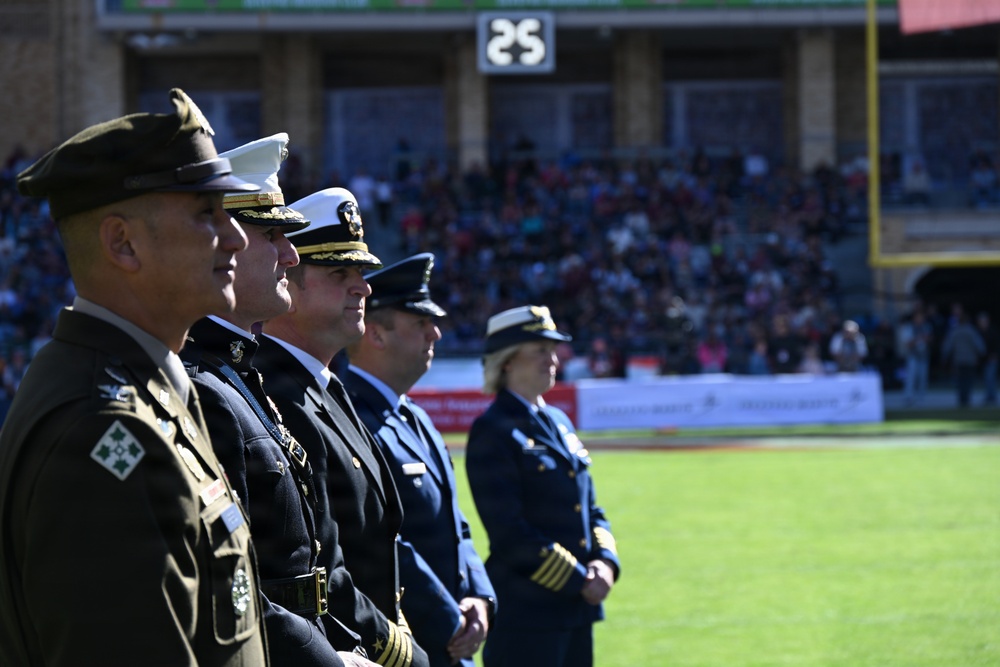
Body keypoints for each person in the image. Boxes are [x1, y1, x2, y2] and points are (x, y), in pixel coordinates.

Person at [0, 89, 268, 665]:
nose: (237, 237)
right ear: (122, 243)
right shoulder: (97, 428)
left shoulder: (149, 385)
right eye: (206, 213)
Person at [180, 134, 378, 666]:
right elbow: (231, 584)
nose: (290, 255)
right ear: (223, 245)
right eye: (272, 235)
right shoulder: (204, 383)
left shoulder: (237, 373)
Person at [256, 187, 429, 667]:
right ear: (289, 283)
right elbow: (318, 569)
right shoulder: (277, 394)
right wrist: (400, 653)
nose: (364, 288)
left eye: (360, 273)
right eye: (340, 274)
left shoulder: (323, 386)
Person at [343, 253, 497, 667]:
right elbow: (382, 537)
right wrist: (448, 618)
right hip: (409, 644)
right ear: (376, 334)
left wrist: (480, 597)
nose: (436, 333)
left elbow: (456, 525)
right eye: (420, 323)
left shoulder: (415, 416)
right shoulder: (351, 417)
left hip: (453, 637)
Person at [465, 305, 621, 667]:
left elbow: (590, 509)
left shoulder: (558, 420)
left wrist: (606, 561)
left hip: (576, 612)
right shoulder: (493, 430)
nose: (552, 360)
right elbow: (509, 532)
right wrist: (580, 579)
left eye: (553, 350)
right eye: (539, 351)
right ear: (507, 361)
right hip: (527, 617)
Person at [941, 309, 985, 408]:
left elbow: (947, 345)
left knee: (960, 380)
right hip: (970, 360)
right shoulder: (971, 331)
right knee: (969, 380)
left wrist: (944, 356)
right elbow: (979, 344)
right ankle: (967, 399)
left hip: (959, 359)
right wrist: (982, 354)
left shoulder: (955, 331)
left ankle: (962, 399)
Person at [898, 308, 933, 405]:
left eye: (921, 317)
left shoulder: (926, 327)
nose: (920, 319)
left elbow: (930, 339)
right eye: (918, 317)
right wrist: (918, 338)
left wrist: (926, 339)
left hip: (923, 355)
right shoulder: (909, 327)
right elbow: (907, 343)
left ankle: (921, 397)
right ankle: (908, 396)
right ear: (914, 318)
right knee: (911, 377)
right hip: (913, 356)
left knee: (923, 377)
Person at [975, 311, 999, 405]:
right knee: (986, 378)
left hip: (992, 358)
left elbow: (997, 345)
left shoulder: (993, 332)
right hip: (983, 359)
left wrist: (995, 355)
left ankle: (991, 396)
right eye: (980, 321)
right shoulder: (978, 332)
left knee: (990, 377)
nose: (982, 323)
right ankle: (990, 395)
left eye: (983, 321)